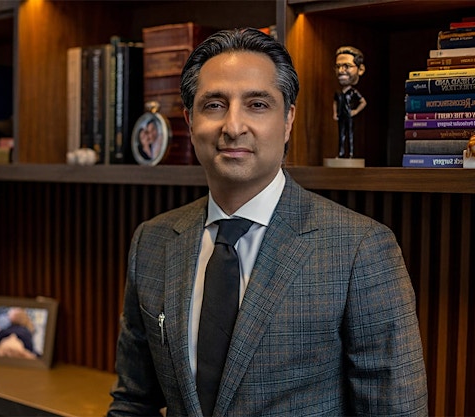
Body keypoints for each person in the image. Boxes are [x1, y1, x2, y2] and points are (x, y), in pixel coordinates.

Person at [107, 28, 427, 416]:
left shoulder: (361, 248)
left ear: (288, 119)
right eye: (214, 105)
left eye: (257, 104)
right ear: (190, 121)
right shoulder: (152, 241)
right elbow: (132, 402)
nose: (233, 126)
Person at [332, 46, 367, 159]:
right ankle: (341, 154)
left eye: (346, 66)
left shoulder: (353, 92)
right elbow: (335, 103)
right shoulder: (339, 92)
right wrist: (334, 113)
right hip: (341, 116)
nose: (341, 71)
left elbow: (363, 102)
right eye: (338, 66)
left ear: (360, 69)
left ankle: (351, 154)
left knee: (350, 135)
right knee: (341, 136)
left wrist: (355, 111)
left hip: (349, 116)